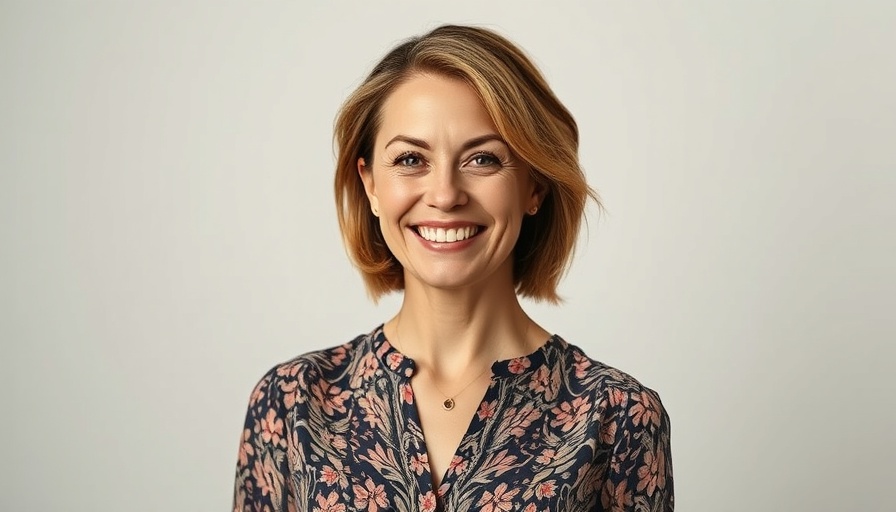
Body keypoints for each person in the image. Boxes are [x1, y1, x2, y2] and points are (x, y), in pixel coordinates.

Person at [233, 24, 673, 512]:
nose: (444, 194)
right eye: (410, 159)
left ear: (535, 187)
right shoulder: (291, 404)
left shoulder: (618, 415)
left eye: (483, 158)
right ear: (371, 185)